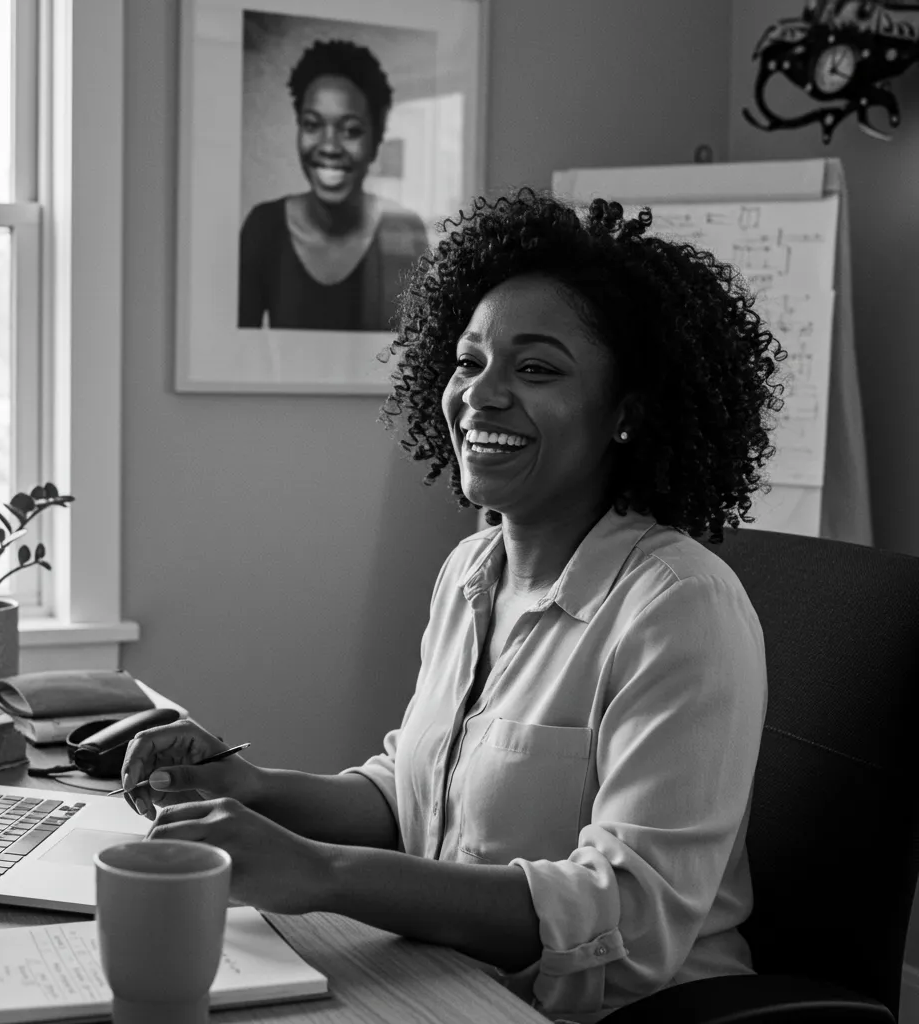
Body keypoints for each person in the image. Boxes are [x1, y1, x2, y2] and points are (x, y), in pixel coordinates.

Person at [124, 188, 785, 1022]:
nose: (482, 395)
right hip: (444, 981)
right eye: (470, 361)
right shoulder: (472, 570)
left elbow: (631, 921)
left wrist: (321, 872)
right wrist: (254, 786)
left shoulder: (679, 606)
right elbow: (413, 794)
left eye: (536, 368)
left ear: (628, 412)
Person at [238, 39, 429, 331]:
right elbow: (236, 352)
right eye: (312, 124)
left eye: (351, 130)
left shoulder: (404, 232)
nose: (329, 146)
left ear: (375, 141)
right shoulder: (263, 228)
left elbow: (416, 354)